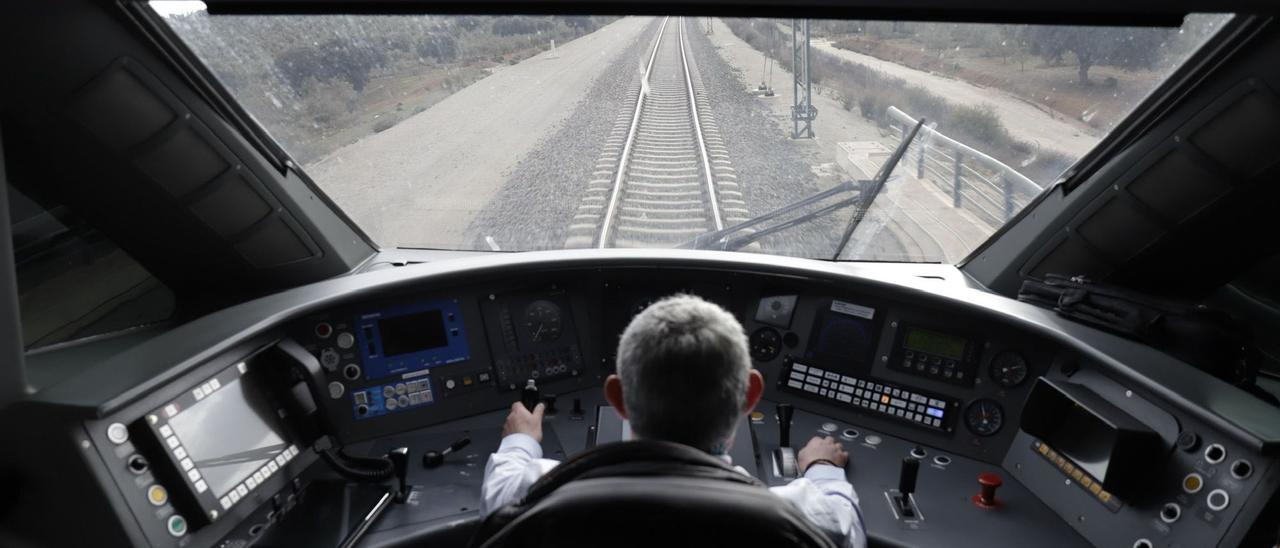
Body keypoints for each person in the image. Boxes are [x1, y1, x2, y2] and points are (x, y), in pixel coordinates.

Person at [481, 294, 866, 548]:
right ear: (750, 395)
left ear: (617, 398)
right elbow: (843, 518)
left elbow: (499, 491)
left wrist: (521, 440)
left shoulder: (535, 491)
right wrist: (822, 467)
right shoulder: (799, 516)